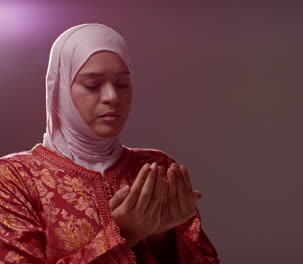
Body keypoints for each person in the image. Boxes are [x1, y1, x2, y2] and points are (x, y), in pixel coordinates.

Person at [0, 23, 220, 264]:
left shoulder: (156, 167)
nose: (112, 97)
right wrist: (122, 235)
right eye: (92, 85)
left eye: (122, 84)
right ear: (60, 89)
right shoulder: (14, 178)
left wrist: (163, 237)